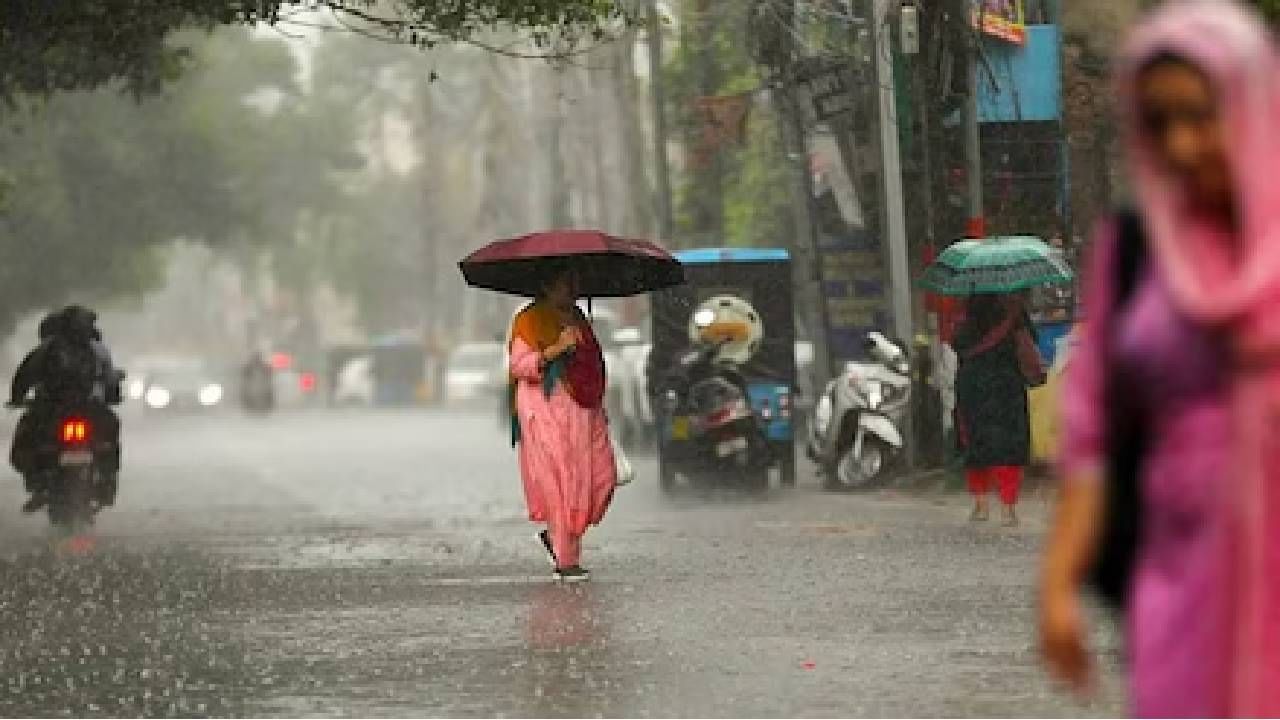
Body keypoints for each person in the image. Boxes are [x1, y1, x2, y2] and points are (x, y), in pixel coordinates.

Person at [1040, 2, 1280, 716]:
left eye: (1200, 115)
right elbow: (1092, 435)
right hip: (1177, 585)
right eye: (1159, 121)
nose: (1181, 144)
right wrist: (1058, 587)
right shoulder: (1137, 250)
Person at [507, 265, 616, 583]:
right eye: (566, 282)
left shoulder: (580, 318)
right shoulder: (529, 320)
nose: (573, 288)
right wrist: (555, 349)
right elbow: (519, 365)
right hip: (546, 413)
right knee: (560, 485)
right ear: (547, 284)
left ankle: (559, 538)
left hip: (584, 410)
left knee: (600, 478)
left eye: (575, 282)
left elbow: (591, 367)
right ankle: (566, 561)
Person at [10, 305, 122, 512]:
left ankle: (39, 484)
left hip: (54, 410)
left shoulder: (46, 350)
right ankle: (105, 481)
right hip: (84, 410)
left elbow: (23, 377)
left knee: (29, 436)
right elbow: (111, 380)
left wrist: (17, 398)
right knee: (110, 430)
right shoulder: (96, 350)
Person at [953, 293, 1034, 526]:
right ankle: (1008, 509)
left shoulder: (966, 311)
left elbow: (956, 344)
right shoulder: (1014, 310)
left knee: (976, 442)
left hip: (972, 385)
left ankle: (980, 507)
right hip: (1006, 385)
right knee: (1009, 443)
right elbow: (1026, 346)